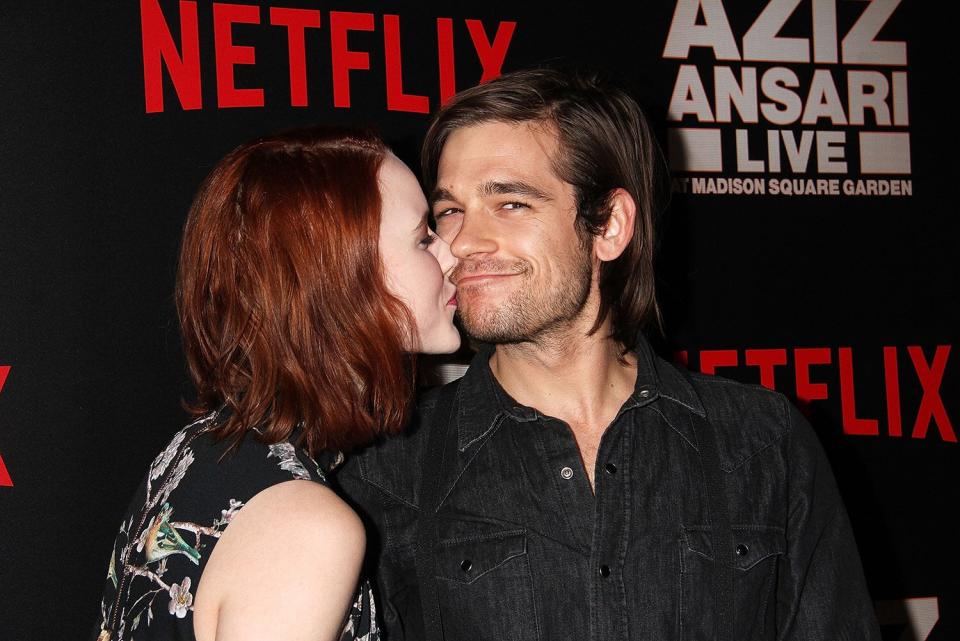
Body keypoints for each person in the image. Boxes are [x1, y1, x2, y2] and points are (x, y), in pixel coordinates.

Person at [338, 69, 882, 641]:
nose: (464, 242)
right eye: (450, 211)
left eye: (511, 203)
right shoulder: (385, 471)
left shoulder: (762, 443)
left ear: (610, 225)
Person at [92, 126, 459, 641]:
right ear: (338, 278)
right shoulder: (306, 529)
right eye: (423, 237)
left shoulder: (203, 448)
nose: (452, 255)